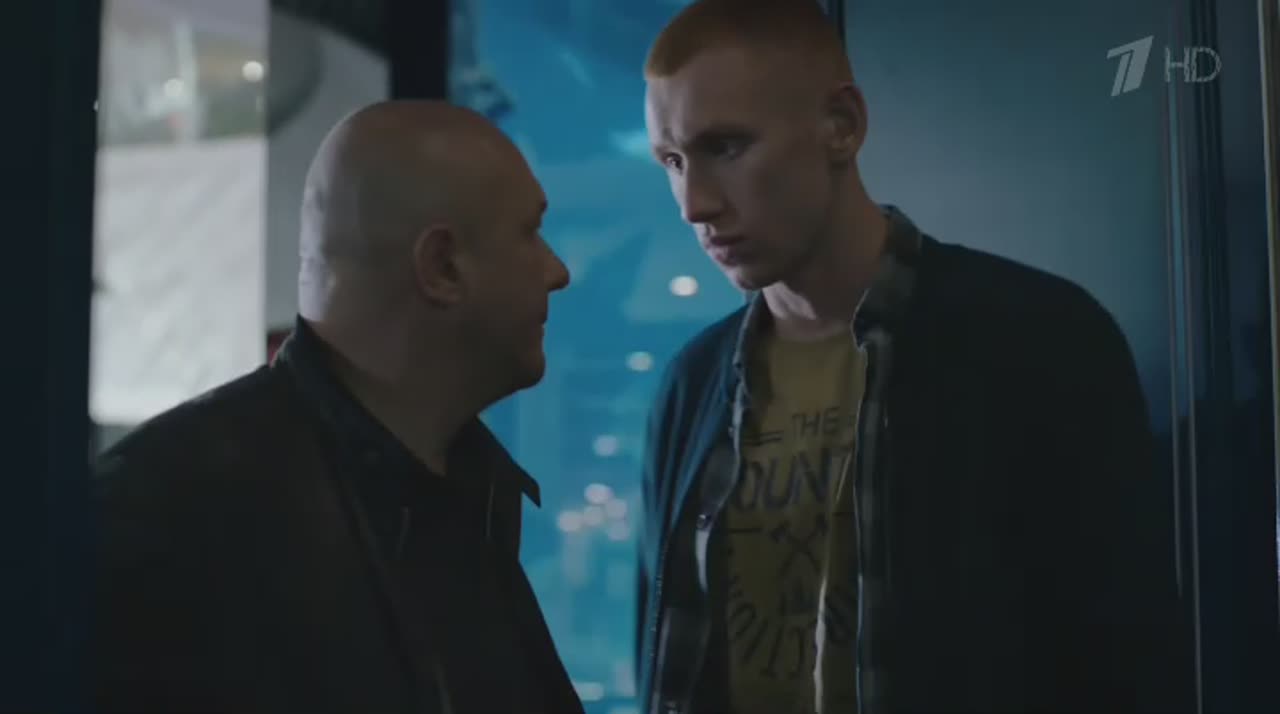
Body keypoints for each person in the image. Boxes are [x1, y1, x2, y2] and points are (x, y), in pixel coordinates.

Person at [633, 2, 1193, 714]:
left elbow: (1128, 657)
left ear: (842, 125)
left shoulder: (1039, 340)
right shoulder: (693, 385)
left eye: (727, 147)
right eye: (673, 161)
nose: (694, 203)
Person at [91, 100, 582, 714]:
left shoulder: (469, 492)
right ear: (442, 266)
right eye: (530, 233)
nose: (557, 271)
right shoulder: (163, 517)